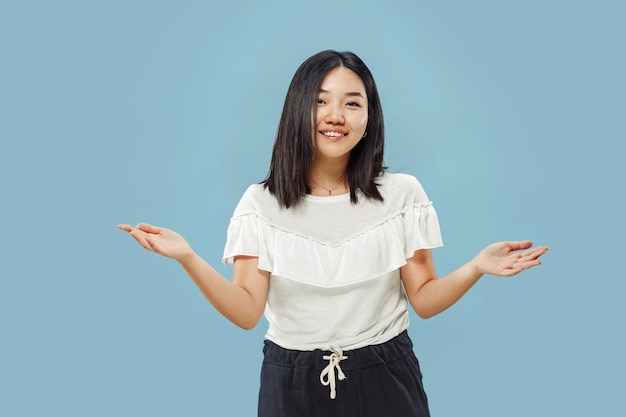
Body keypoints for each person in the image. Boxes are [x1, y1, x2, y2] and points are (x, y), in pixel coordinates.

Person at [118, 50, 548, 417]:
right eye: (321, 101)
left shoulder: (402, 194)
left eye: (352, 103)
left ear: (369, 117)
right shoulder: (260, 203)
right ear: (298, 109)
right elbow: (248, 311)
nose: (335, 116)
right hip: (291, 383)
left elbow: (424, 299)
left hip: (385, 373)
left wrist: (476, 267)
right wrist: (188, 257)